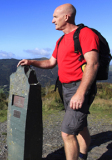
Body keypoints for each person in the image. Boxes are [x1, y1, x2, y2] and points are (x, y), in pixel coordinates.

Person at [17, 3, 99, 160]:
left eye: (55, 17)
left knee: (67, 132)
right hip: (65, 89)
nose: (52, 21)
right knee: (80, 125)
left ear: (66, 17)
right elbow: (50, 63)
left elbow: (93, 63)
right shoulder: (60, 41)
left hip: (80, 88)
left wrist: (80, 93)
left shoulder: (86, 34)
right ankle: (83, 155)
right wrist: (31, 61)